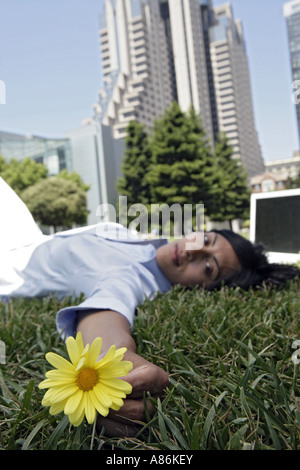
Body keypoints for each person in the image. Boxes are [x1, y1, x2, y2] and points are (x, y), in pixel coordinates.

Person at [0, 176, 299, 436]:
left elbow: (107, 312)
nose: (193, 249)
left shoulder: (133, 277)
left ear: (206, 289)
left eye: (208, 267)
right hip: (24, 233)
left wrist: (117, 362)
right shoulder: (135, 239)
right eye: (205, 238)